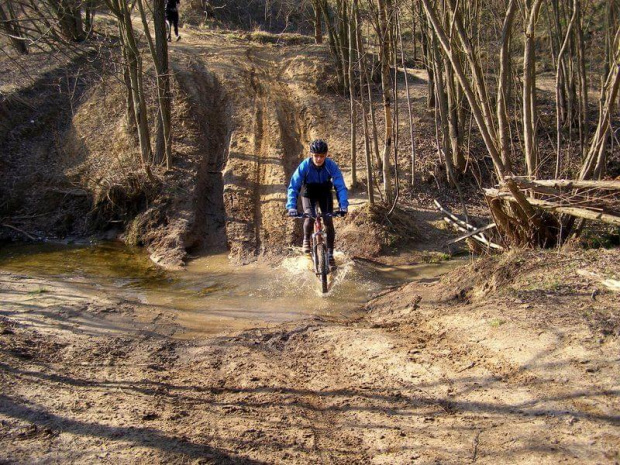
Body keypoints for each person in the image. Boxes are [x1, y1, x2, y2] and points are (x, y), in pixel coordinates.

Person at [286, 139, 348, 267]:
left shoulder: (331, 166)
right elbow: (294, 186)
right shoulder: (305, 165)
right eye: (316, 156)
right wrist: (291, 206)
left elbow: (340, 186)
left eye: (322, 156)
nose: (319, 159)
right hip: (309, 193)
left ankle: (330, 253)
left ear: (326, 155)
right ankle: (306, 240)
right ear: (311, 154)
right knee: (310, 216)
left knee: (328, 221)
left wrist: (343, 206)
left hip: (325, 193)